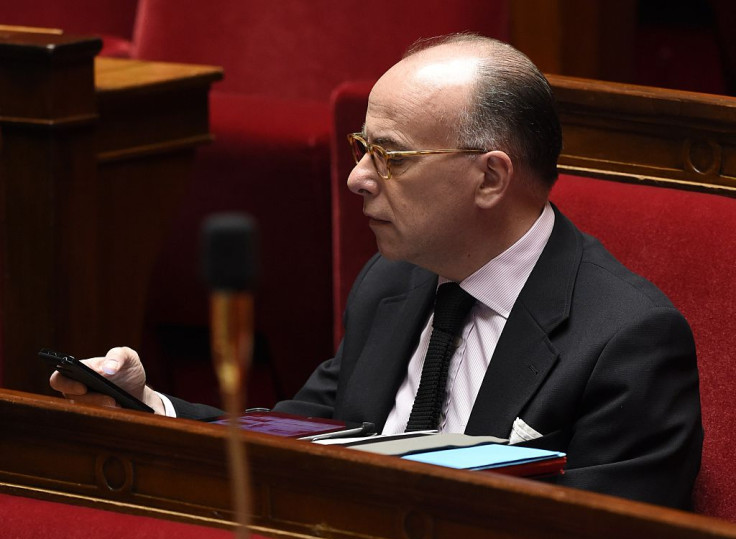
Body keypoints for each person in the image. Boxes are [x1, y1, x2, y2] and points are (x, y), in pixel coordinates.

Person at [50, 33, 702, 509]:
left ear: (490, 176)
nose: (357, 178)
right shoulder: (393, 282)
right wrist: (148, 406)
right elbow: (296, 436)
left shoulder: (626, 342)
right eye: (363, 148)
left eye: (390, 156)